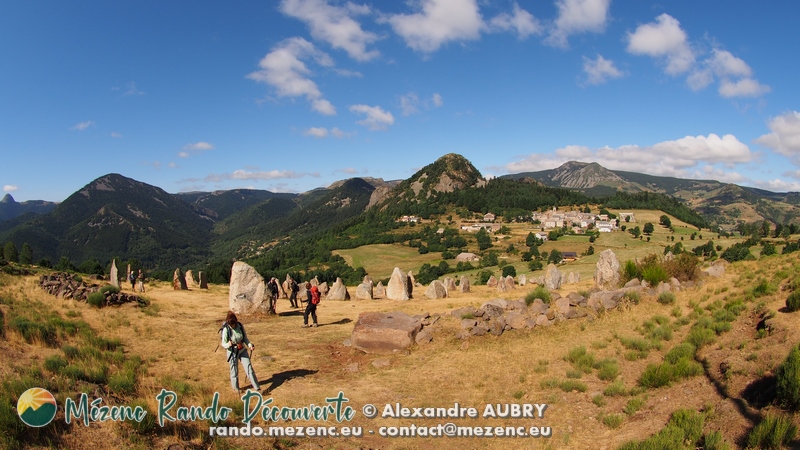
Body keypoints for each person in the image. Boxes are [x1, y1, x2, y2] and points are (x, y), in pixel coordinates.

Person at [220, 311, 260, 393]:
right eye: (232, 325)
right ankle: (236, 389)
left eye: (234, 324)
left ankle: (257, 387)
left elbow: (245, 338)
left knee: (249, 368)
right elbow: (223, 343)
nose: (233, 326)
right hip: (232, 352)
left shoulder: (240, 326)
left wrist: (249, 345)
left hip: (242, 350)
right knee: (234, 371)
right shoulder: (226, 329)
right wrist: (228, 344)